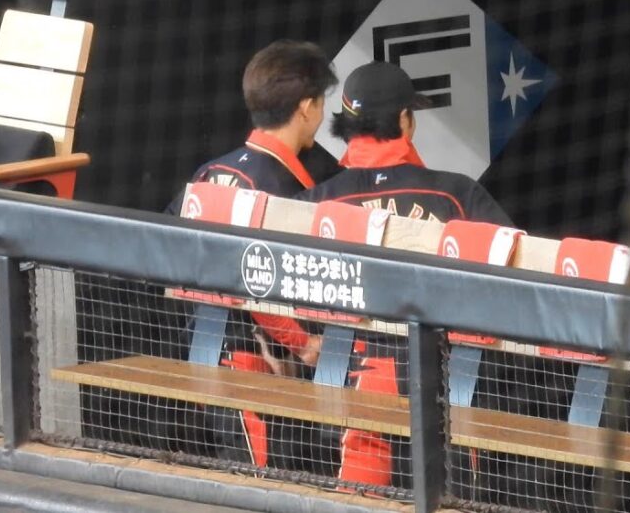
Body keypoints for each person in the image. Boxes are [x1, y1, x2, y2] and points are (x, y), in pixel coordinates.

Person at [297, 60, 516, 492]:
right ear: (404, 121)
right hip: (444, 382)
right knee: (448, 499)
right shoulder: (455, 193)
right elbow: (514, 273)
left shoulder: (314, 203)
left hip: (349, 380)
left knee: (360, 501)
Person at [168, 39, 342, 470]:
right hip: (253, 368)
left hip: (203, 353)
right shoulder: (281, 188)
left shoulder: (211, 171)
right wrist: (303, 344)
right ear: (307, 107)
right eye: (321, 104)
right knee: (262, 486)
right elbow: (255, 279)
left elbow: (168, 249)